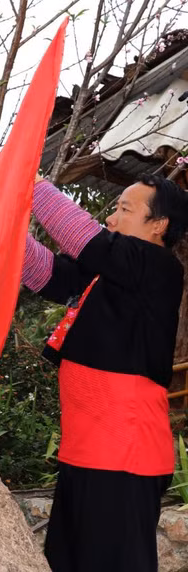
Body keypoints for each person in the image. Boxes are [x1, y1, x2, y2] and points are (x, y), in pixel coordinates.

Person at [21, 173, 188, 571]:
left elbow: (90, 242)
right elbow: (49, 274)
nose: (112, 218)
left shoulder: (159, 267)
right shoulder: (111, 273)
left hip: (124, 456)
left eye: (124, 209)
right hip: (86, 452)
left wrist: (28, 182)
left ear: (158, 225)